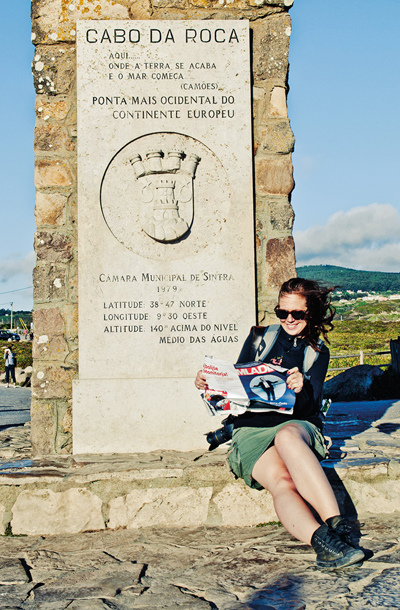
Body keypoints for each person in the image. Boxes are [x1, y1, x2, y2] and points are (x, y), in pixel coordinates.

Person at [195, 277, 365, 569]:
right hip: (252, 428)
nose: (289, 319)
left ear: (310, 312)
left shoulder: (317, 352)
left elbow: (312, 405)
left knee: (287, 436)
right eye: (282, 312)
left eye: (297, 314)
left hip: (297, 425)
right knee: (282, 482)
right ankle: (325, 544)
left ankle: (339, 528)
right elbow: (238, 384)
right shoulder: (260, 337)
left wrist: (303, 389)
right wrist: (209, 383)